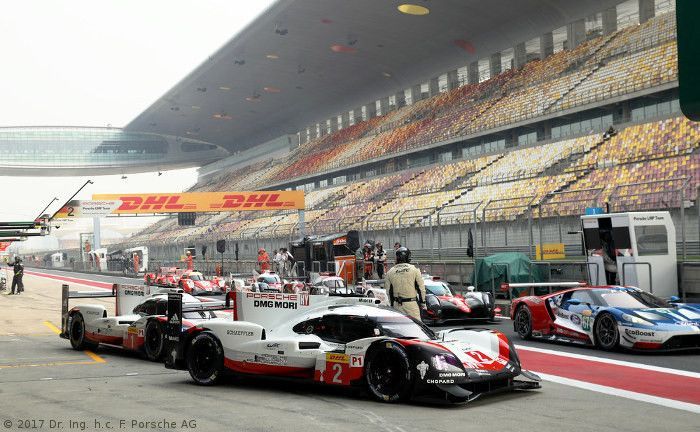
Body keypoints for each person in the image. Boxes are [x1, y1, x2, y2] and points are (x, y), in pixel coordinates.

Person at [384, 247, 426, 321]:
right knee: (416, 328)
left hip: (397, 305)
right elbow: (421, 288)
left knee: (399, 329)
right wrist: (423, 303)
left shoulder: (390, 271)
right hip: (411, 305)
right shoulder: (414, 269)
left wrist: (392, 304)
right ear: (407, 257)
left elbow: (389, 291)